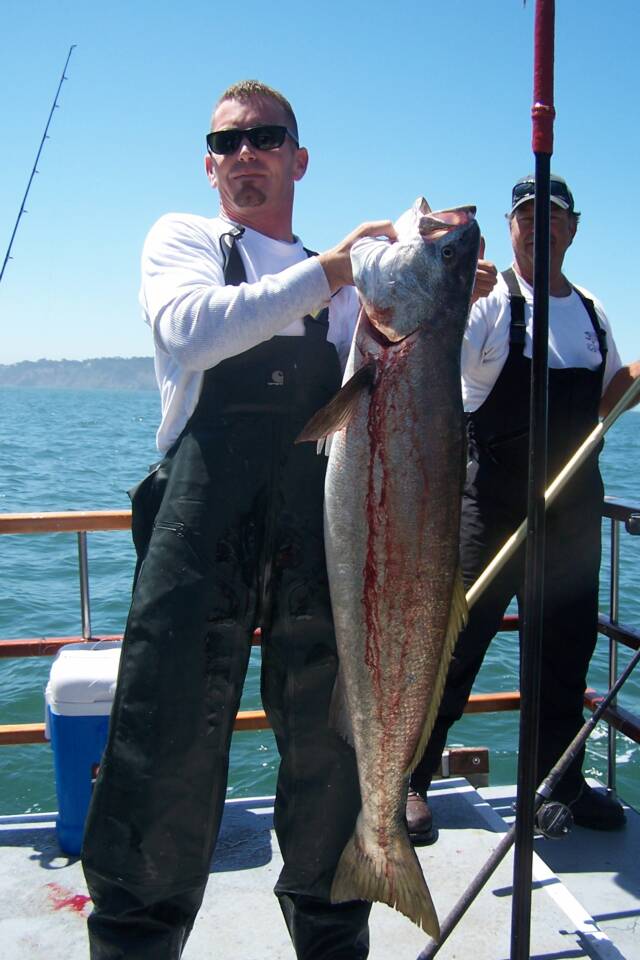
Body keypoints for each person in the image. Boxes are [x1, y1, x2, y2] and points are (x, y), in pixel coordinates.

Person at [80, 79, 401, 960]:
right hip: (199, 524)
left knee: (330, 752)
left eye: (265, 138)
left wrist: (442, 309)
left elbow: (391, 399)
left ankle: (334, 929)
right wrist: (334, 269)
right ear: (209, 165)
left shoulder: (345, 292)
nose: (243, 154)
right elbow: (194, 332)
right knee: (164, 750)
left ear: (299, 158)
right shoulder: (186, 241)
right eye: (225, 143)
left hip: (315, 530)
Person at [406, 174, 640, 844]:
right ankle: (412, 780)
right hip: (492, 502)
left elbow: (608, 398)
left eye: (552, 217)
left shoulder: (592, 312)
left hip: (571, 507)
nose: (538, 227)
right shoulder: (489, 302)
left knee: (568, 648)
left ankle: (558, 779)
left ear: (572, 228)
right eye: (526, 216)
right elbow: (429, 368)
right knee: (459, 641)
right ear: (512, 227)